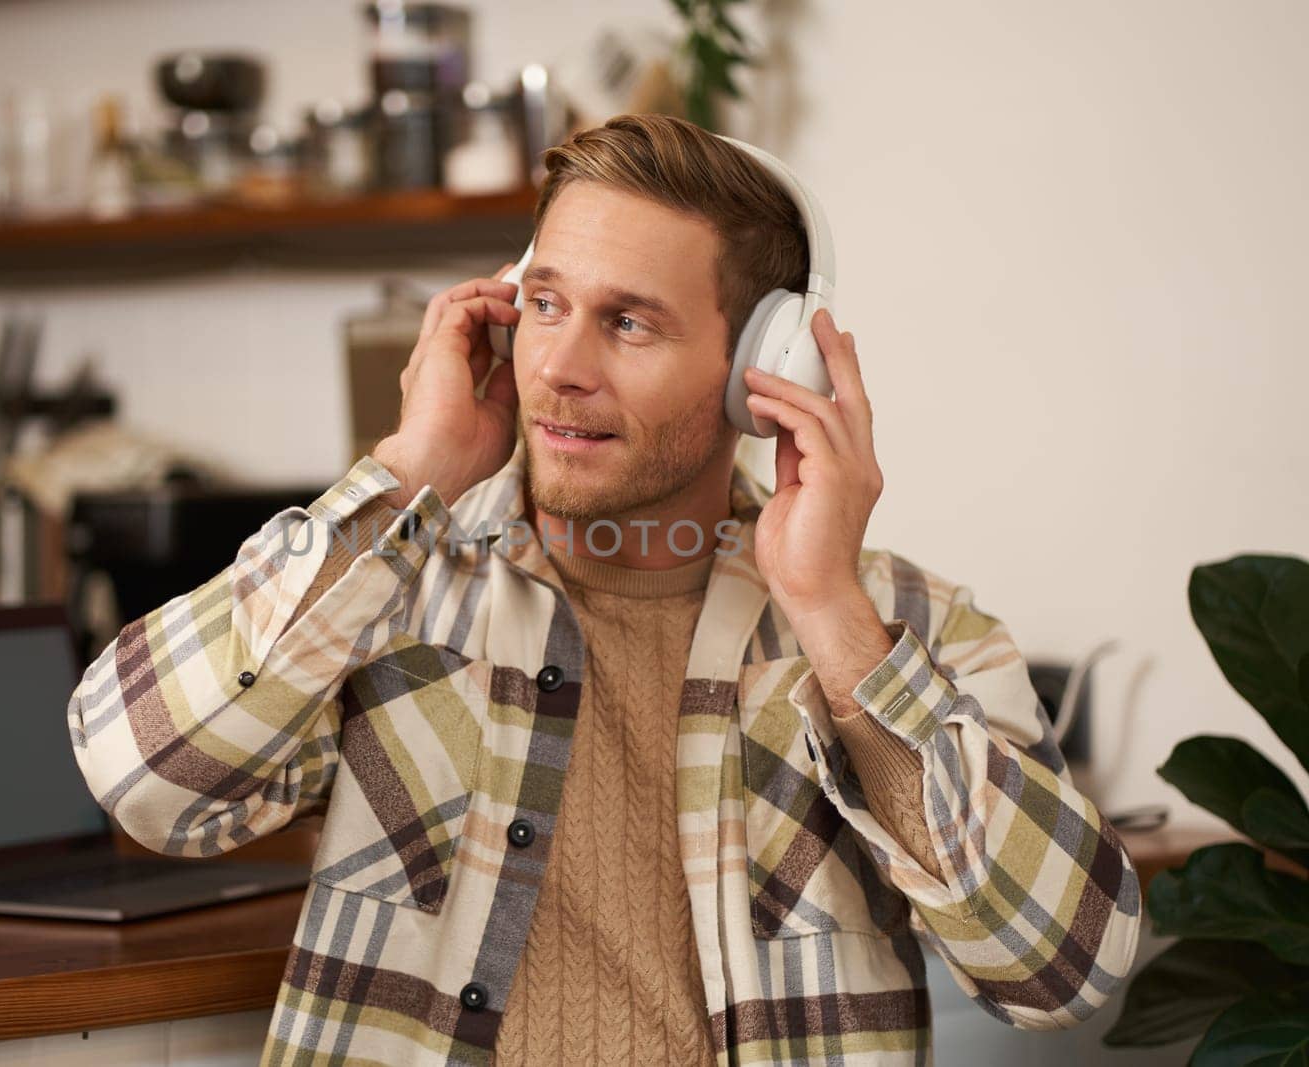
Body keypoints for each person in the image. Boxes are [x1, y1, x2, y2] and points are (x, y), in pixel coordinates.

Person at [67, 113, 1140, 1066]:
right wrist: (408, 469)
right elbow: (148, 782)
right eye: (544, 303)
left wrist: (829, 614)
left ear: (760, 372)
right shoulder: (391, 583)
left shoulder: (899, 625)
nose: (557, 367)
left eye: (628, 322)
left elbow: (1063, 971)